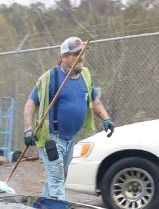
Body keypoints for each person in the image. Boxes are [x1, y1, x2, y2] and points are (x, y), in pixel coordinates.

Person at [23, 36, 115, 200]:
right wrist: (29, 129)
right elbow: (31, 103)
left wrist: (105, 118)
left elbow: (94, 100)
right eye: (76, 53)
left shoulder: (85, 75)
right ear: (64, 56)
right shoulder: (50, 77)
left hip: (70, 139)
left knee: (58, 177)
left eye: (82, 53)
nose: (81, 57)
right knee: (57, 178)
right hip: (51, 139)